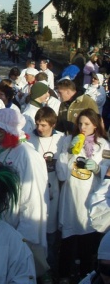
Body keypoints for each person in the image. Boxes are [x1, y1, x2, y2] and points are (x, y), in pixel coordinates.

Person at [0, 108, 49, 278]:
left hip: (21, 232)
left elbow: (34, 199)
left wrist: (24, 238)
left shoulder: (27, 155)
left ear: (8, 131)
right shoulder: (2, 151)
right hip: (4, 227)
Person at [57, 108, 110, 281]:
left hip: (89, 195)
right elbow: (61, 173)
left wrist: (97, 168)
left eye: (87, 124)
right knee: (68, 240)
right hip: (71, 197)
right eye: (80, 123)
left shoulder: (103, 145)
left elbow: (107, 173)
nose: (82, 127)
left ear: (95, 125)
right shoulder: (68, 141)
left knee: (87, 241)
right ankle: (64, 274)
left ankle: (86, 273)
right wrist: (68, 154)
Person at [28, 106, 70, 280]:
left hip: (55, 187)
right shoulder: (29, 139)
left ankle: (51, 268)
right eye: (38, 124)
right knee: (37, 230)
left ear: (52, 124)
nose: (40, 128)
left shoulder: (61, 139)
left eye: (44, 125)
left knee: (52, 233)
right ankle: (38, 268)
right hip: (36, 188)